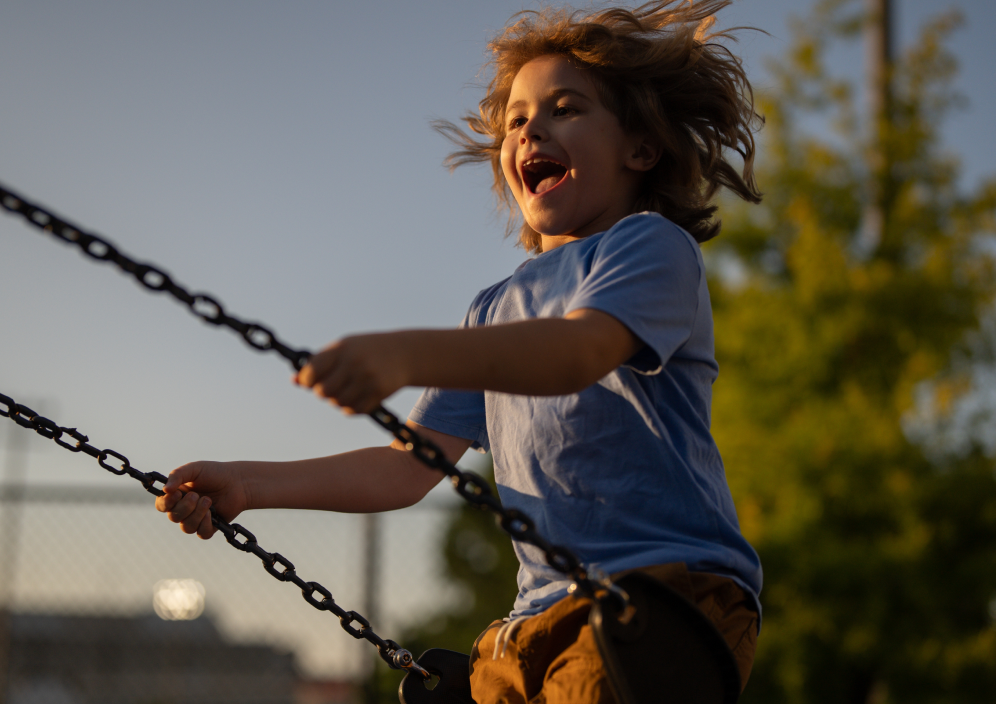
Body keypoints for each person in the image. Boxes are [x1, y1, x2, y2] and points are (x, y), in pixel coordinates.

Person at [156, 1, 764, 699]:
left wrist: (409, 355)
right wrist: (251, 485)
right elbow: (405, 470)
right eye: (517, 120)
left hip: (665, 598)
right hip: (539, 617)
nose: (532, 128)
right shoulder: (492, 310)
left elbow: (577, 351)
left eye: (565, 108)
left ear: (640, 148)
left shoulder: (649, 247)